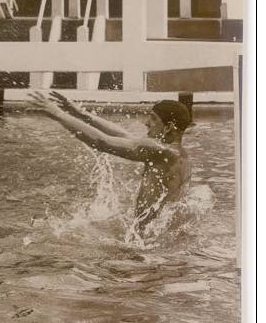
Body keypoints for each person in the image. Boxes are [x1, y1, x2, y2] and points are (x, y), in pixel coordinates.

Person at [27, 91, 191, 232]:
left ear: (169, 127)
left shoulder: (161, 150)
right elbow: (125, 136)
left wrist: (58, 114)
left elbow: (101, 142)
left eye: (153, 119)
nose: (147, 123)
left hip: (145, 240)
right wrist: (81, 113)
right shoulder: (177, 154)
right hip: (154, 233)